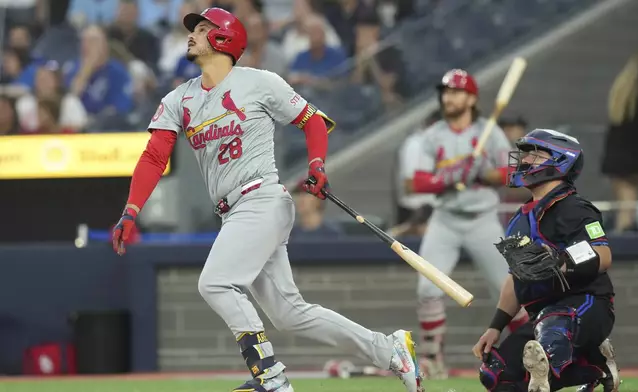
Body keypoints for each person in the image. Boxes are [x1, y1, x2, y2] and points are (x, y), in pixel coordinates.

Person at [110, 8, 424, 392]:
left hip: (261, 199)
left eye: (203, 29)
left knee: (215, 284)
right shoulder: (180, 98)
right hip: (234, 213)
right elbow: (154, 157)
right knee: (290, 314)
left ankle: (271, 378)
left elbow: (312, 120)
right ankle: (389, 350)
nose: (192, 34)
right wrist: (131, 210)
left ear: (224, 38)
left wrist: (317, 164)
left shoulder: (259, 83)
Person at [472, 128, 619, 392]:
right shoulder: (517, 220)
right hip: (540, 316)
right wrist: (495, 327)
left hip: (586, 303)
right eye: (525, 154)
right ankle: (594, 367)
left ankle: (576, 360)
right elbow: (514, 278)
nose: (525, 160)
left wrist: (560, 262)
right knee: (495, 375)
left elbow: (602, 255)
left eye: (535, 154)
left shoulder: (574, 207)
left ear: (561, 161)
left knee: (552, 334)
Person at [407, 69, 529, 380]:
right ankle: (433, 359)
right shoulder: (434, 134)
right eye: (446, 92)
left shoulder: (490, 132)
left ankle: (527, 355)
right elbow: (416, 182)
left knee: (511, 290)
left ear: (471, 98)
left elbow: (514, 174)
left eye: (456, 91)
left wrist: (483, 172)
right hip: (445, 219)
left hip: (482, 220)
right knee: (427, 289)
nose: (449, 97)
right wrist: (449, 176)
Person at [601, 52, 638, 233]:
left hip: (616, 161)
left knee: (626, 211)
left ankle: (621, 251)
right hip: (635, 160)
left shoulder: (623, 93)